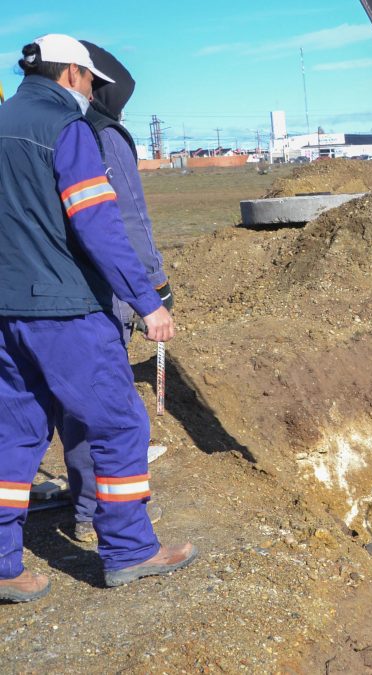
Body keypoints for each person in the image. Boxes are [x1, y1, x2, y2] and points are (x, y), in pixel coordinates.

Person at [0, 34, 196, 603]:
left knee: (12, 435)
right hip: (65, 310)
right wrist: (148, 300)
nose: (92, 93)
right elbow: (99, 224)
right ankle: (132, 550)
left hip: (7, 311)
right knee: (119, 425)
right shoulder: (69, 130)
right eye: (90, 82)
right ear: (71, 77)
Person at [55, 41, 174, 544]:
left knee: (66, 405)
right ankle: (97, 514)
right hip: (102, 292)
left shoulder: (53, 131)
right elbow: (128, 220)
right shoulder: (103, 136)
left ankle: (82, 500)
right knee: (108, 408)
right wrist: (156, 288)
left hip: (46, 290)